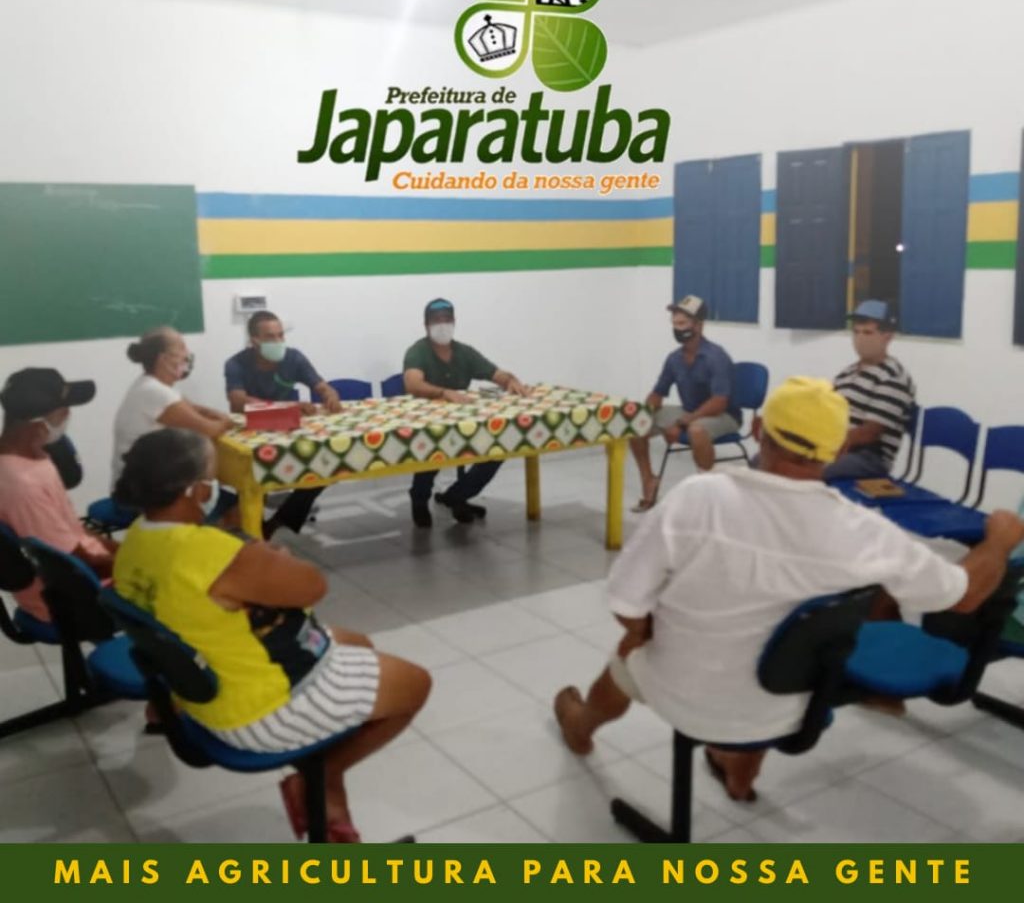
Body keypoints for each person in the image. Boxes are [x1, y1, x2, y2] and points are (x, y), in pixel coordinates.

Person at [553, 377, 1024, 804]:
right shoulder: (865, 531)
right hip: (788, 708)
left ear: (758, 430)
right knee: (784, 633)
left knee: (628, 651)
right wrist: (999, 541)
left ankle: (582, 726)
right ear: (838, 449)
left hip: (683, 695)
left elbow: (625, 603)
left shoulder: (697, 498)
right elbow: (963, 595)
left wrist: (643, 630)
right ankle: (739, 775)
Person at [113, 428, 431, 843]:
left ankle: (323, 783)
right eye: (213, 476)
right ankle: (325, 774)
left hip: (202, 688)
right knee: (416, 684)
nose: (216, 486)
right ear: (196, 490)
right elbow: (312, 587)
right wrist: (274, 558)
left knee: (358, 643)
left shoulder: (135, 541)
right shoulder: (209, 551)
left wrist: (256, 562)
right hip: (258, 711)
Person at [402, 297, 528, 528]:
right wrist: (443, 392)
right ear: (426, 324)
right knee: (432, 448)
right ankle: (419, 499)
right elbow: (412, 383)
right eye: (436, 320)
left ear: (454, 321)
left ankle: (457, 495)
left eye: (447, 319)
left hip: (463, 422)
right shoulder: (418, 351)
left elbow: (496, 373)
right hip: (429, 424)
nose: (442, 324)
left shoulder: (464, 352)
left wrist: (511, 380)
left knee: (499, 447)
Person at [0, 368, 114, 622]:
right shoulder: (22, 485)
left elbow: (73, 529)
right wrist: (139, 566)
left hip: (79, 573)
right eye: (63, 411)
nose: (68, 415)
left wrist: (125, 551)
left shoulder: (33, 456)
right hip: (69, 598)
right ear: (39, 423)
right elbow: (70, 563)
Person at [224, 311, 340, 536]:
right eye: (270, 337)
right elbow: (237, 401)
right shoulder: (236, 363)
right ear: (254, 340)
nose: (278, 342)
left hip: (287, 428)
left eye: (281, 335)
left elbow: (322, 386)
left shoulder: (293, 358)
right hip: (251, 430)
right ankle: (253, 531)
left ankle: (278, 522)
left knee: (326, 464)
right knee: (255, 481)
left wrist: (330, 395)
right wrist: (289, 407)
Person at [630, 294, 740, 511]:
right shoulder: (674, 358)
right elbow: (658, 393)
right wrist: (645, 411)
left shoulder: (715, 357)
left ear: (698, 325)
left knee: (696, 430)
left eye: (682, 323)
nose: (677, 329)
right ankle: (648, 480)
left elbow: (719, 402)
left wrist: (682, 423)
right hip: (690, 410)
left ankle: (707, 492)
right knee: (635, 424)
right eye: (674, 324)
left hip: (723, 415)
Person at [112, 326, 233, 482]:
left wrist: (220, 417)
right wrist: (225, 421)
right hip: (141, 488)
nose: (187, 354)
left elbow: (196, 410)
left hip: (152, 476)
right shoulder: (154, 392)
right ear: (163, 359)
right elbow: (208, 429)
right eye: (181, 348)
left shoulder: (157, 386)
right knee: (205, 453)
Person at [824, 299, 916, 482]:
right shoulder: (847, 373)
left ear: (887, 337)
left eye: (867, 333)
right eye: (856, 332)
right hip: (840, 445)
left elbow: (869, 433)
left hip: (868, 456)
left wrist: (824, 446)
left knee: (804, 470)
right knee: (775, 457)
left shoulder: (893, 376)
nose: (859, 339)